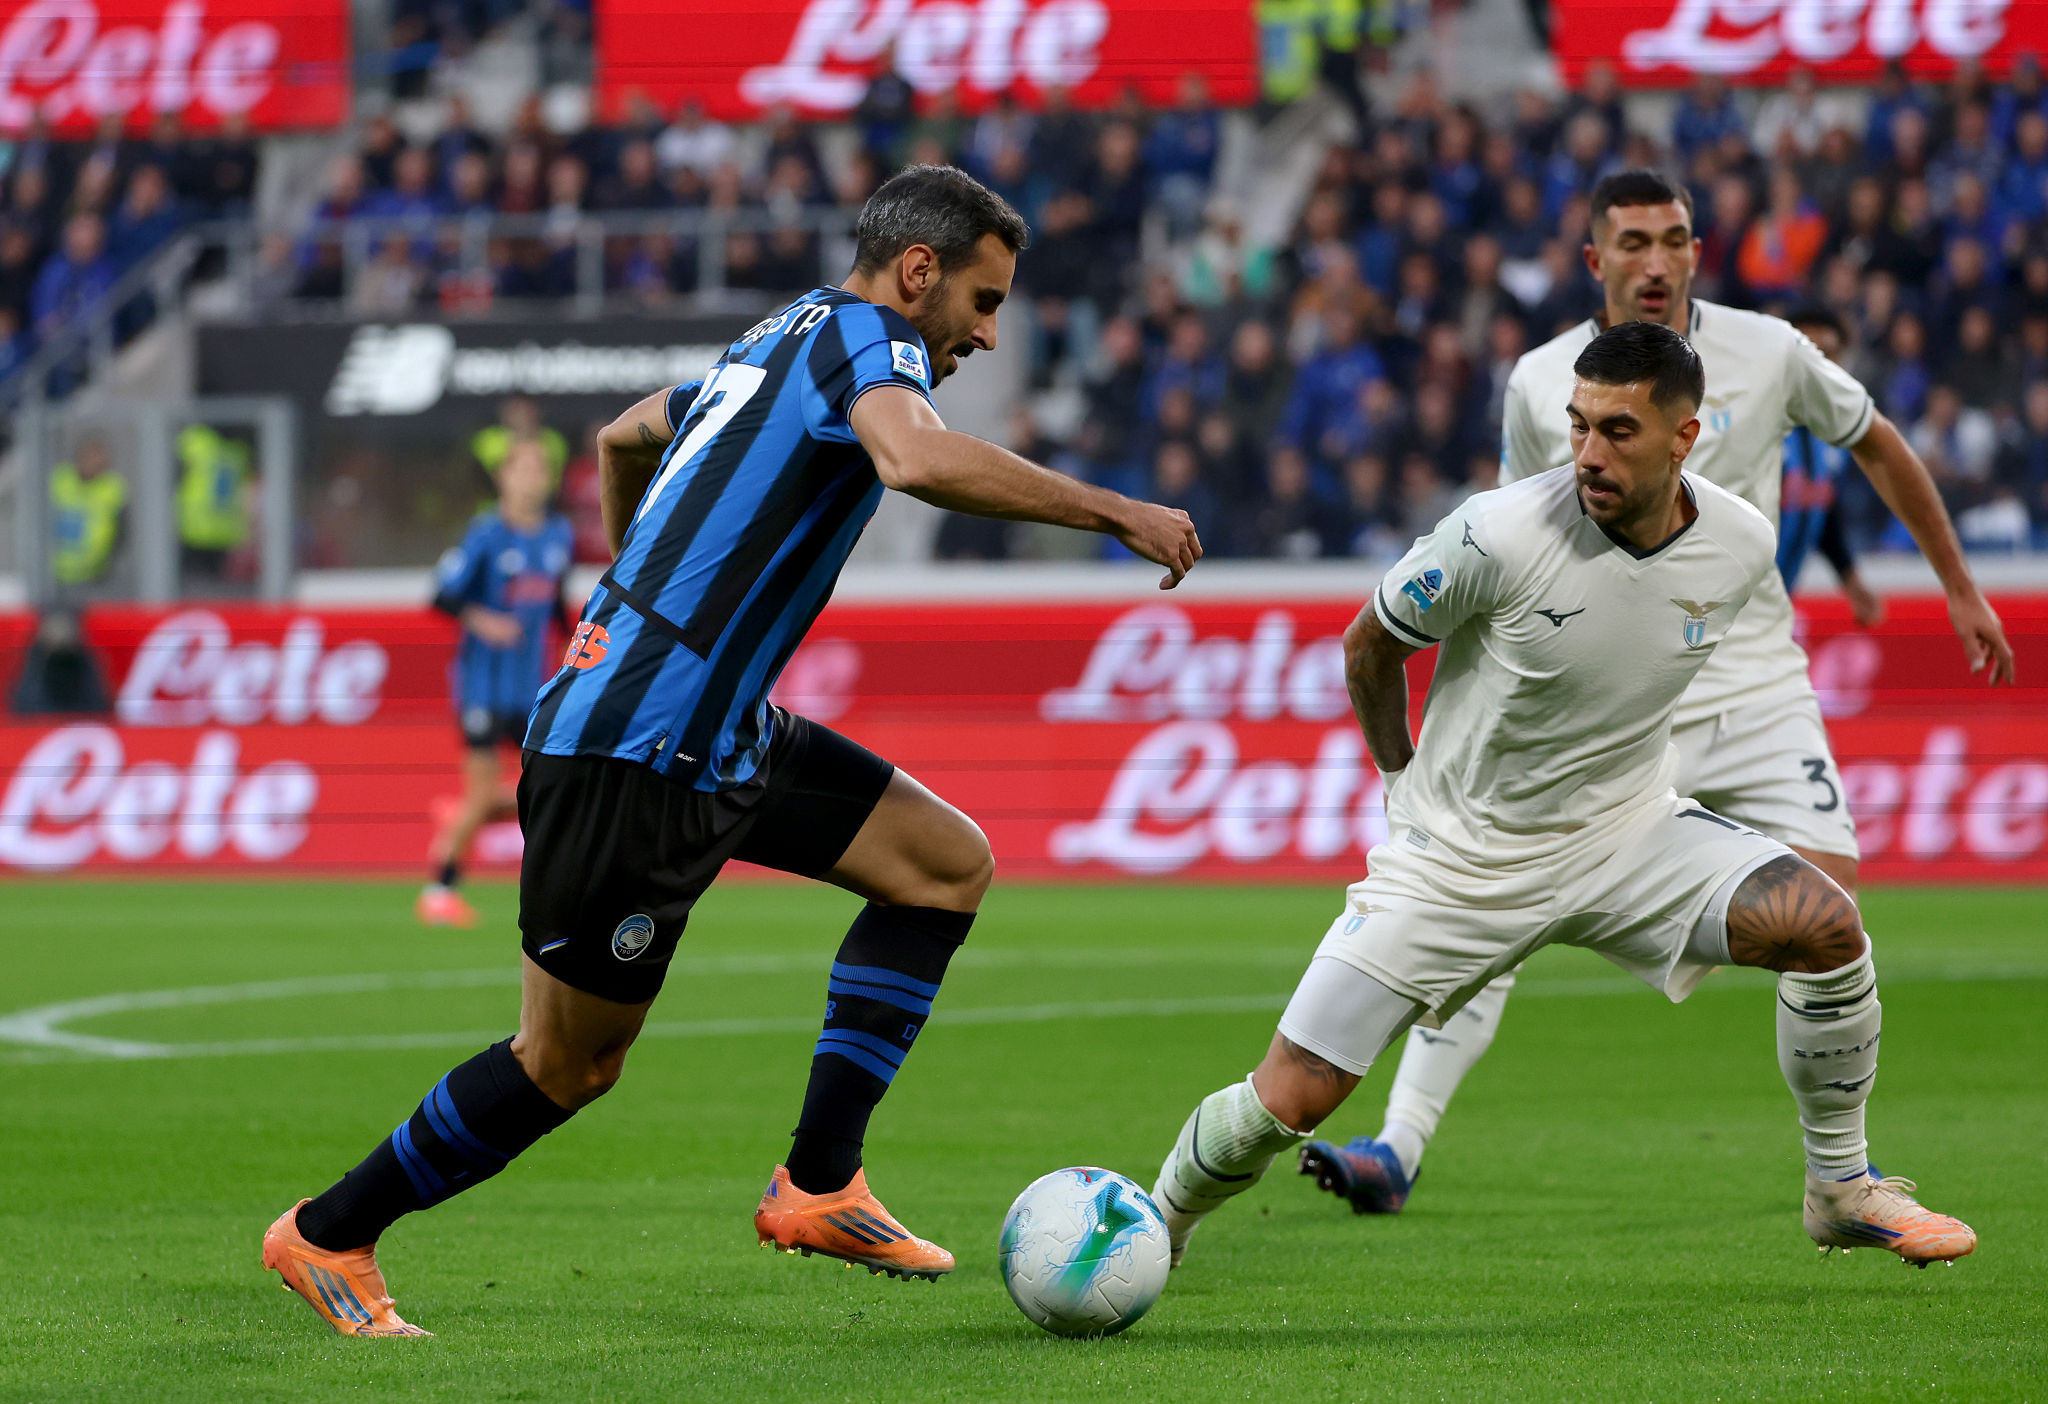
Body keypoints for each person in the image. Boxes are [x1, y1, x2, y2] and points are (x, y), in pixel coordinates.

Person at [260, 165, 1203, 1336]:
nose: (987, 334)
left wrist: (641, 592)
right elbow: (912, 459)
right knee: (565, 1063)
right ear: (918, 271)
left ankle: (819, 1185)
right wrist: (1115, 511)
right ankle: (330, 1231)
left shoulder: (773, 338)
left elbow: (620, 437)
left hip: (715, 731)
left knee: (942, 864)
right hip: (633, 749)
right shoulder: (869, 340)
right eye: (982, 300)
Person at [1152, 321, 1977, 1275]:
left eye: (1618, 431)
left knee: (1825, 928)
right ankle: (1157, 1223)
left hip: (1627, 836)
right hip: (1461, 860)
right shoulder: (1495, 533)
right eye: (1579, 425)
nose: (1588, 453)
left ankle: (1839, 1189)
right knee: (1289, 1097)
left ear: (1684, 438)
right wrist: (1398, 777)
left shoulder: (1742, 544)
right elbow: (1369, 644)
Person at [1305, 168, 2014, 1217]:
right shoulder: (1541, 380)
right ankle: (1397, 1146)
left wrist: (1955, 584)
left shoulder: (1770, 350)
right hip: (1611, 698)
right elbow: (1511, 532)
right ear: (1594, 258)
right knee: (1495, 901)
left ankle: (1838, 1175)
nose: (1654, 260)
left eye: (1672, 239)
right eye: (1631, 242)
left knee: (1827, 916)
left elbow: (1871, 437)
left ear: (1695, 252)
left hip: (1756, 683)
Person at [417, 439, 575, 929]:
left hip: (533, 688)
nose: (533, 477)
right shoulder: (486, 533)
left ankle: (465, 814)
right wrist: (485, 622)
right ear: (502, 477)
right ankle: (440, 890)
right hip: (483, 686)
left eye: (540, 468)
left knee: (551, 786)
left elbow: (557, 606)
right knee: (491, 789)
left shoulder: (558, 534)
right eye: (523, 467)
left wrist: (573, 653)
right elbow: (443, 595)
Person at [1778, 307, 1882, 627]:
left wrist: (1849, 577)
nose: (1817, 366)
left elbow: (1819, 504)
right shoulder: (1757, 422)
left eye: (1829, 354)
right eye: (1808, 353)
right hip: (1733, 609)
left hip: (1777, 607)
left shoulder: (1829, 433)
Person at [175, 422, 253, 583]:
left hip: (201, 526)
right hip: (213, 528)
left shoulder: (198, 440)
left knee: (196, 583)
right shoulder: (236, 450)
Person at [48, 435, 127, 589]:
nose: (95, 462)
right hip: (55, 574)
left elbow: (123, 531)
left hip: (96, 574)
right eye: (91, 456)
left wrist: (107, 562)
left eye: (99, 458)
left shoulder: (113, 488)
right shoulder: (59, 479)